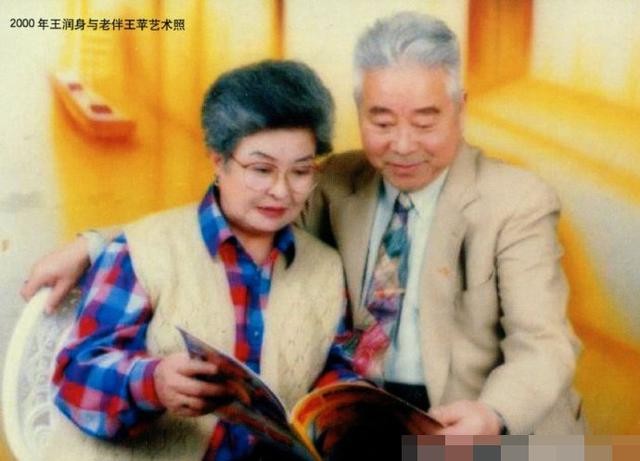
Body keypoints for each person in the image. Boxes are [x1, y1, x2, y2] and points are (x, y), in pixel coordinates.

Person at [23, 12, 584, 437]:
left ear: (460, 105)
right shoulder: (332, 179)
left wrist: (492, 415)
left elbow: (544, 344)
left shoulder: (517, 201)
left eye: (425, 120)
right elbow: (226, 214)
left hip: (479, 422)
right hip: (352, 417)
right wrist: (96, 245)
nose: (402, 144)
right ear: (359, 111)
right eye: (381, 121)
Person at [40, 60, 361, 461]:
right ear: (218, 161)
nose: (282, 192)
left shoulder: (325, 267)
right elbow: (75, 377)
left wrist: (347, 408)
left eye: (301, 171)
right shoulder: (142, 249)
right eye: (261, 169)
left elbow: (333, 373)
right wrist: (153, 383)